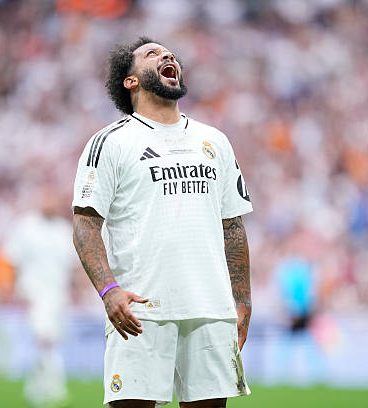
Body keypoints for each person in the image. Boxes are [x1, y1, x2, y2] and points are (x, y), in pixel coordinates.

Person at [72, 37, 253, 407]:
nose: (168, 54)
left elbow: (232, 226)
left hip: (210, 309)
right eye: (152, 54)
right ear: (131, 81)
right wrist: (109, 290)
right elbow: (84, 225)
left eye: (169, 53)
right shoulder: (110, 142)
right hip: (140, 311)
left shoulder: (214, 141)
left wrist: (243, 299)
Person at [3, 195, 77, 408]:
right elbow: (12, 259)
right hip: (33, 293)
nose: (49, 203)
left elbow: (72, 265)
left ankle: (35, 387)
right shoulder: (26, 227)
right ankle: (56, 388)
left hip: (58, 295)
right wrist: (15, 290)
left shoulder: (64, 230)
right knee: (45, 339)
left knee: (48, 342)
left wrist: (73, 291)